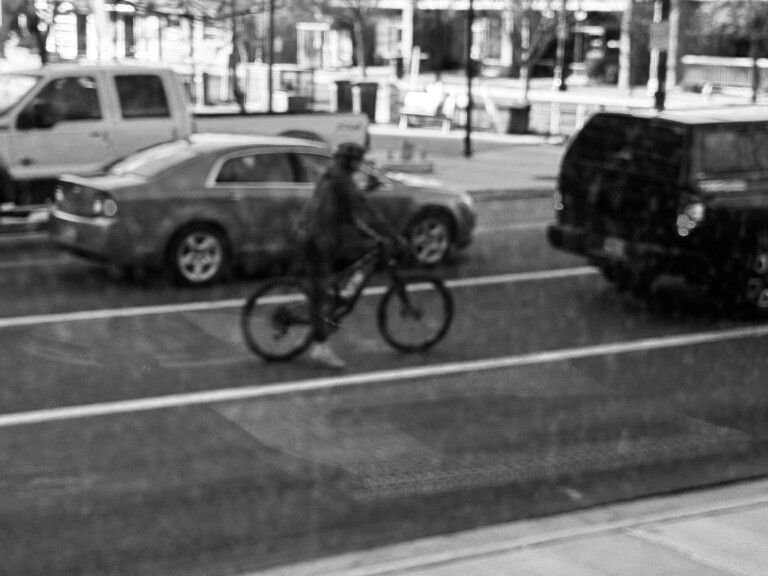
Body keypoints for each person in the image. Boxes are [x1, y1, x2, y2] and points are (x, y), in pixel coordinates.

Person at [300, 142, 403, 369]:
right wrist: (394, 235)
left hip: (316, 233)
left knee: (333, 280)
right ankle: (320, 346)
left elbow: (350, 200)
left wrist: (366, 191)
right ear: (352, 162)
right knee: (320, 290)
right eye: (358, 161)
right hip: (318, 238)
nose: (359, 165)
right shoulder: (341, 180)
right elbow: (366, 209)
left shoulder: (332, 175)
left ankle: (333, 302)